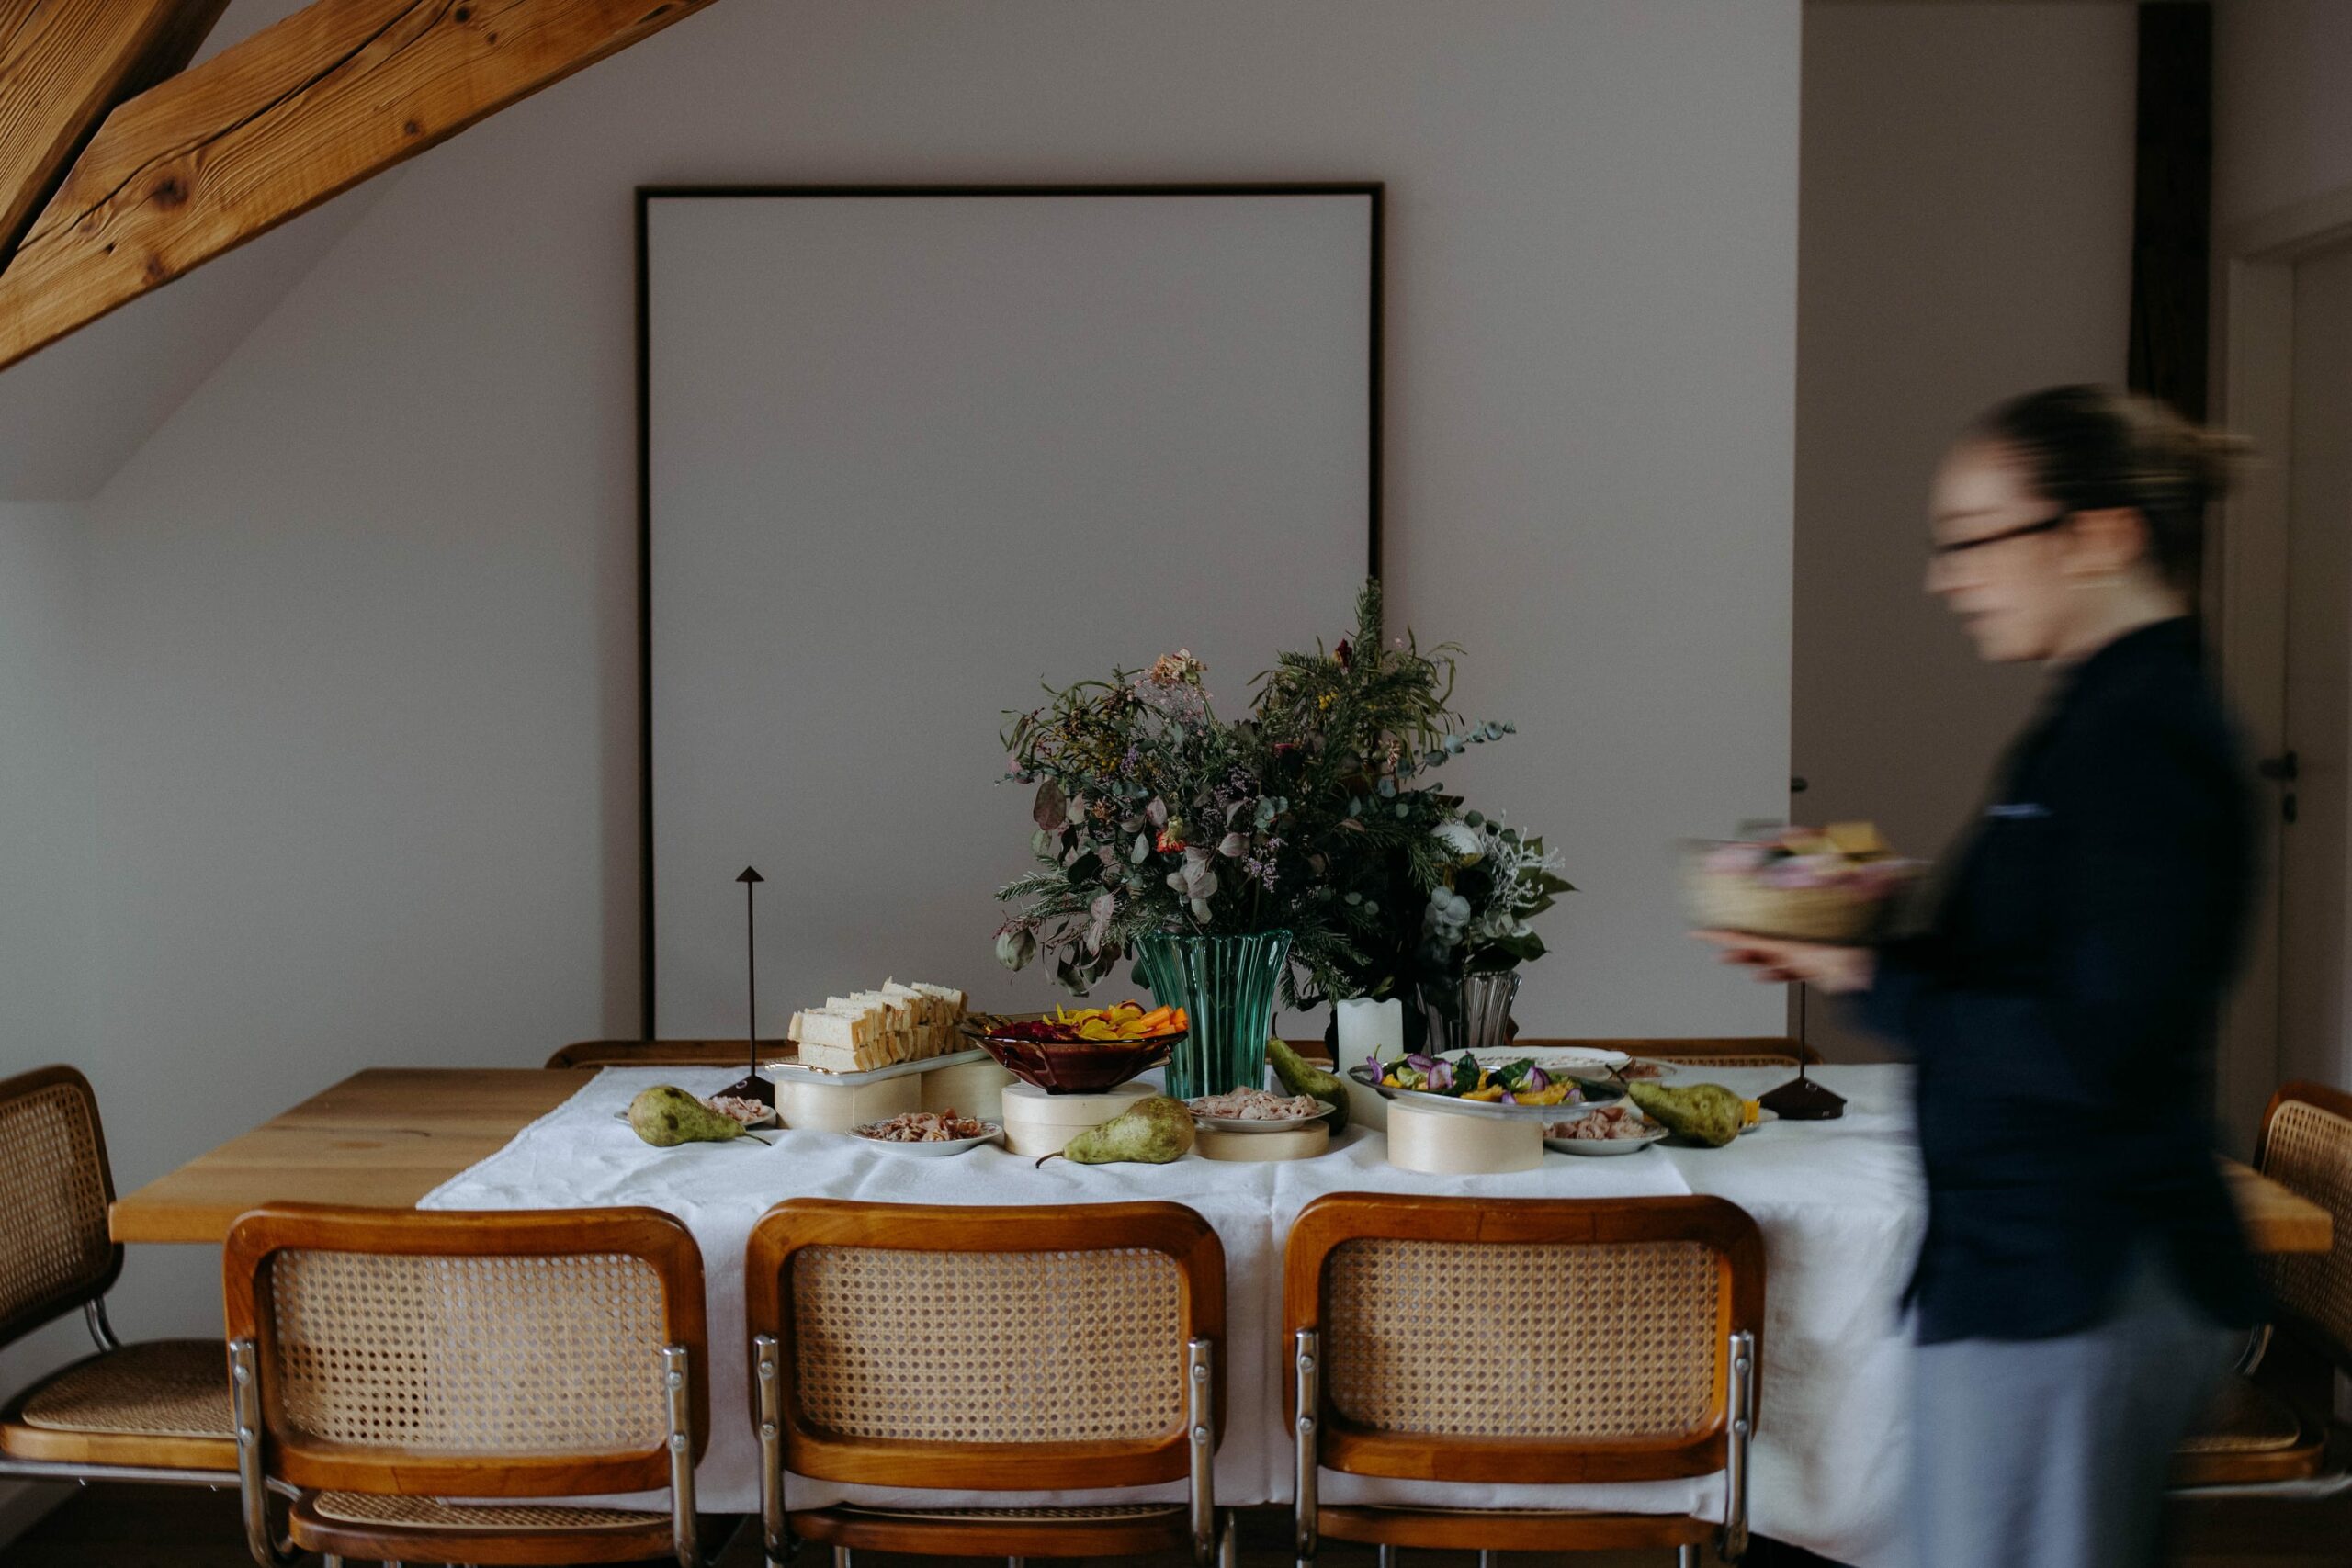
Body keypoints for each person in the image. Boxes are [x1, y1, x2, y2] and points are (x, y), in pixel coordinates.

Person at [1702, 385, 2262, 1568]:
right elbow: (2053, 964)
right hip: (2034, 1266)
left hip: (2075, 1273)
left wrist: (1863, 965)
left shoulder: (2141, 741)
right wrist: (1864, 930)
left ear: (2098, 534)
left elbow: (2087, 1042)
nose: (1944, 577)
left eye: (1973, 539)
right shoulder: (2099, 715)